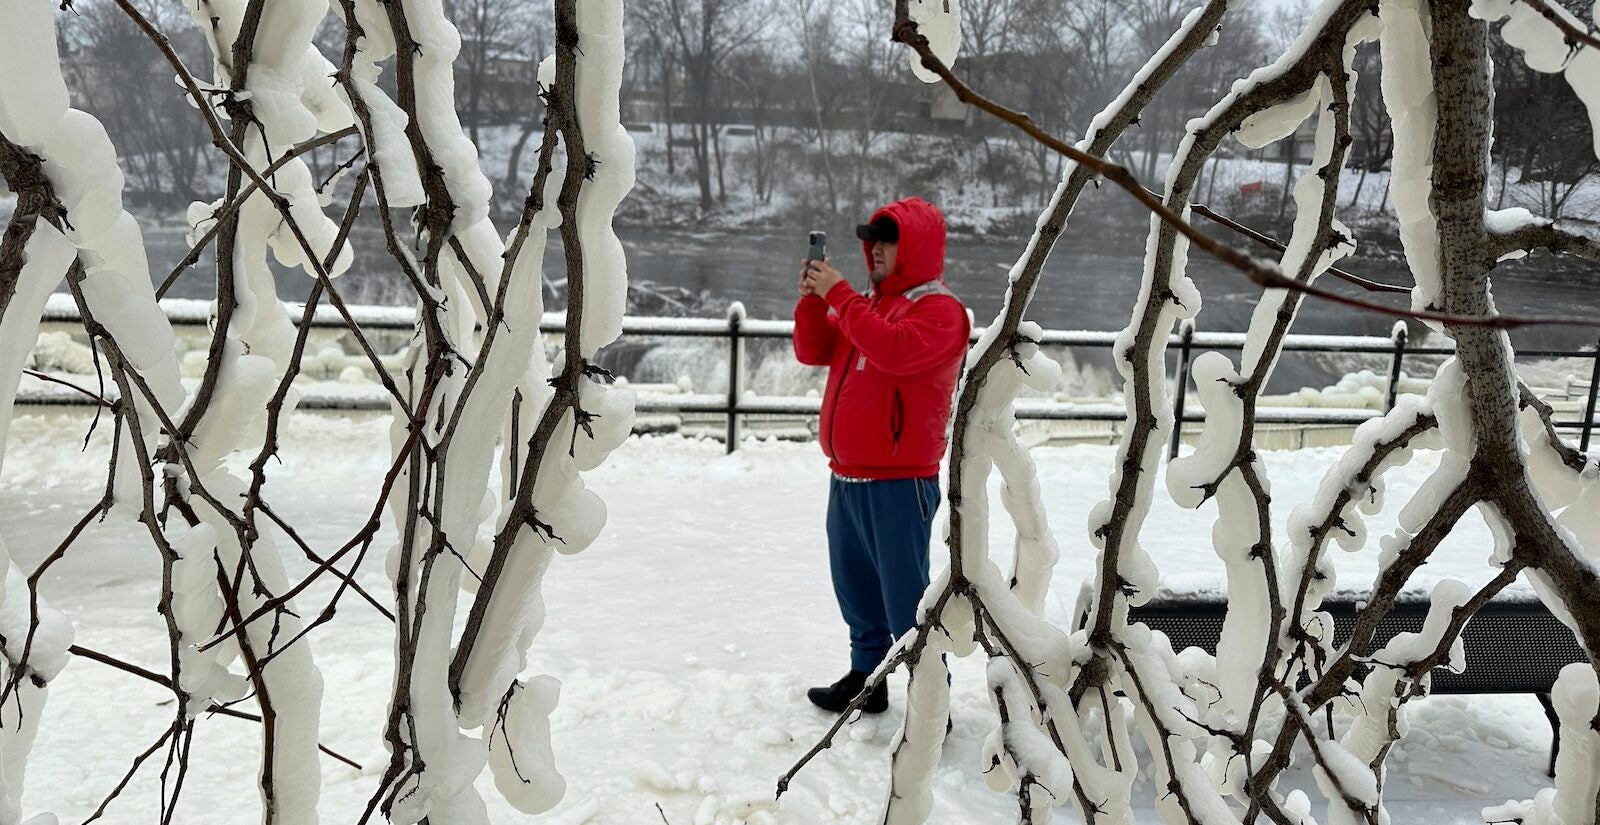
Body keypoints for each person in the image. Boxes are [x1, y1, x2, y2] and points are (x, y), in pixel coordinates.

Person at [792, 196, 970, 714]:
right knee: (856, 590)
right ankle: (867, 679)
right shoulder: (865, 305)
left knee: (907, 601)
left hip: (900, 482)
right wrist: (811, 300)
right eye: (872, 239)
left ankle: (930, 700)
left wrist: (841, 295)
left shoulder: (940, 310)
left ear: (914, 247)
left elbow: (891, 350)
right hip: (847, 476)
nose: (876, 249)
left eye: (887, 239)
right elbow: (812, 350)